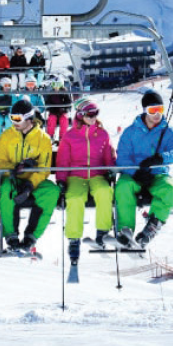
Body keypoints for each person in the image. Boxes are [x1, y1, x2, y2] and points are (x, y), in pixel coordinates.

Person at [114, 89, 173, 246]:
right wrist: (135, 172)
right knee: (123, 187)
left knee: (169, 190)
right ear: (145, 111)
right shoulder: (130, 132)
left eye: (160, 109)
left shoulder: (168, 132)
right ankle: (125, 230)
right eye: (153, 110)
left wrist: (161, 158)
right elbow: (123, 158)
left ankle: (152, 226)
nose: (157, 114)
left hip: (158, 174)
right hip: (134, 175)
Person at [0, 99, 61, 250]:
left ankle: (32, 236)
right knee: (7, 191)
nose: (14, 122)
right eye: (12, 118)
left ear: (29, 118)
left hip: (33, 181)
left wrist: (30, 185)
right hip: (12, 179)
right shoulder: (7, 136)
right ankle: (11, 235)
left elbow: (44, 168)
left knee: (51, 191)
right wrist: (14, 168)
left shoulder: (43, 139)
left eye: (17, 119)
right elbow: (0, 161)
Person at [56, 97, 116, 265]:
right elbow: (62, 161)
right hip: (76, 175)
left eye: (95, 113)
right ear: (81, 115)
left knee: (104, 192)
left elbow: (108, 156)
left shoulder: (102, 134)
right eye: (90, 114)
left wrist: (111, 170)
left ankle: (102, 232)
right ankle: (74, 239)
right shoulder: (69, 136)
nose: (93, 117)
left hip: (97, 174)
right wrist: (61, 180)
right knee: (75, 198)